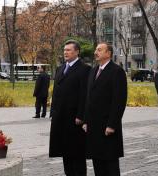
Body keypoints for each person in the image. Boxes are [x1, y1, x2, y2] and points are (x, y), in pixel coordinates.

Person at [83, 42, 127, 176]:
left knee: (110, 165)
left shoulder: (116, 71)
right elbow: (88, 98)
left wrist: (112, 125)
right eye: (96, 49)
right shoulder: (93, 70)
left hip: (108, 127)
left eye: (100, 50)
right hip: (94, 126)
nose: (96, 52)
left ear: (108, 53)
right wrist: (85, 121)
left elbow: (119, 101)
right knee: (98, 164)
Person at [49, 40, 91, 176]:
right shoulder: (60, 68)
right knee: (65, 153)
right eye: (64, 50)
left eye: (69, 50)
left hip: (74, 120)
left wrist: (81, 116)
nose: (65, 52)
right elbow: (56, 92)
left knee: (77, 155)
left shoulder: (85, 69)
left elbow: (85, 94)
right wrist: (53, 112)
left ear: (77, 51)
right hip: (60, 118)